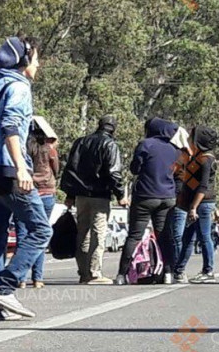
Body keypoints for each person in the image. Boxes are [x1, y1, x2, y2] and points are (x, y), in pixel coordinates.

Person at [0, 35, 52, 320]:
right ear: (24, 60)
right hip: (9, 169)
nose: (38, 64)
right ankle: (5, 288)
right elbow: (11, 127)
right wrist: (21, 167)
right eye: (36, 58)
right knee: (41, 230)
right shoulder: (19, 86)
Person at [60, 115, 128, 285]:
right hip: (100, 195)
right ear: (113, 129)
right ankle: (95, 273)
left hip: (81, 196)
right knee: (98, 234)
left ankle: (83, 272)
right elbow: (114, 172)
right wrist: (121, 195)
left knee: (83, 233)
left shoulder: (81, 142)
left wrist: (70, 194)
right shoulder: (109, 144)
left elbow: (71, 169)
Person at [114, 118, 180, 286]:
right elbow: (179, 173)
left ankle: (122, 274)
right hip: (168, 197)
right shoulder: (175, 150)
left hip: (146, 196)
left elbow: (135, 168)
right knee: (164, 236)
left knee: (134, 235)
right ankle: (168, 272)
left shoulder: (146, 144)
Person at [173, 125, 219, 284]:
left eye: (191, 138)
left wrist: (193, 207)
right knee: (188, 237)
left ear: (199, 141)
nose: (188, 140)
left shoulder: (207, 159)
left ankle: (208, 271)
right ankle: (178, 270)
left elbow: (204, 186)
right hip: (195, 203)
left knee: (204, 236)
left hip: (203, 204)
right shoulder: (198, 157)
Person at [21, 118, 60, 288]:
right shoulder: (49, 149)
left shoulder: (23, 149)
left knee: (23, 233)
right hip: (47, 192)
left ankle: (20, 278)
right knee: (41, 233)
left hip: (28, 190)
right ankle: (38, 278)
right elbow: (56, 169)